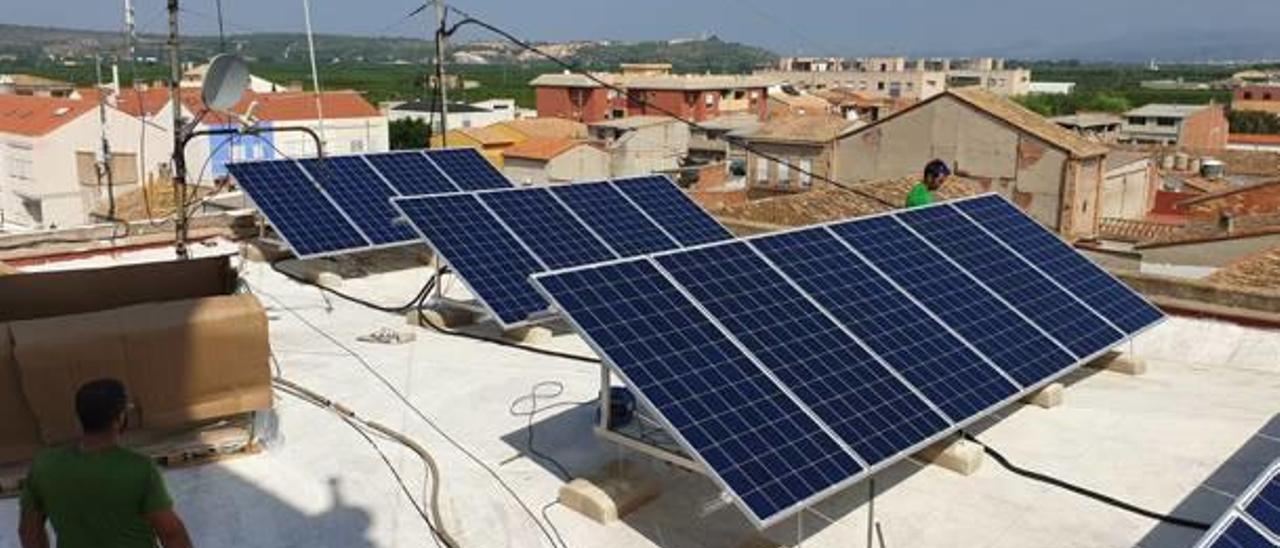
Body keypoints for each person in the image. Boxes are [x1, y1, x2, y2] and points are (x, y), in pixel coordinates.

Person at [18, 379, 193, 548]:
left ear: (79, 418)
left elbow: (29, 532)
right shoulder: (140, 469)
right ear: (119, 419)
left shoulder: (44, 466)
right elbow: (171, 534)